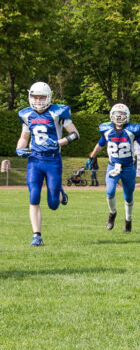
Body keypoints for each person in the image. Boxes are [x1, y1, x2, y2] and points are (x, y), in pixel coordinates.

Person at [16, 81, 80, 246]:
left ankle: (59, 191)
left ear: (48, 97)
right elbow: (24, 138)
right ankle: (37, 235)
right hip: (35, 160)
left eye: (41, 97)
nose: (38, 100)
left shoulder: (57, 112)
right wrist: (19, 149)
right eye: (35, 97)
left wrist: (59, 142)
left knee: (53, 204)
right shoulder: (27, 115)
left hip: (52, 160)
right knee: (34, 196)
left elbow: (74, 134)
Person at [88, 104, 140, 232]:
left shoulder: (132, 129)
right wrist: (92, 157)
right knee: (109, 192)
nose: (119, 116)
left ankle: (128, 220)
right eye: (117, 114)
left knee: (128, 196)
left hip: (128, 167)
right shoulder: (106, 130)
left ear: (127, 116)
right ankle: (112, 213)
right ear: (112, 115)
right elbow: (100, 144)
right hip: (112, 166)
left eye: (122, 114)